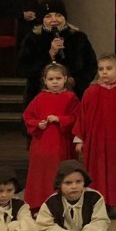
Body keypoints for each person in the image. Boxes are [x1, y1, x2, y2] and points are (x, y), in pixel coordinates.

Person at [73, 54, 116, 210]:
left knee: (115, 170)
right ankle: (95, 202)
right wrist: (79, 138)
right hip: (95, 140)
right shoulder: (90, 92)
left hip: (115, 140)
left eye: (109, 68)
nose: (104, 72)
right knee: (95, 170)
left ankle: (112, 203)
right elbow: (82, 116)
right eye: (101, 69)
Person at [17, 0, 97, 108]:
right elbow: (23, 68)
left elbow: (91, 65)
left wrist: (75, 82)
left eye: (58, 15)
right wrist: (49, 54)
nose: (54, 20)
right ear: (42, 19)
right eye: (48, 16)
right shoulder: (32, 38)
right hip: (39, 96)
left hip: (74, 96)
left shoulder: (78, 37)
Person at [31, 159, 110, 231]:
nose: (74, 186)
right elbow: (44, 226)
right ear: (59, 184)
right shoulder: (51, 202)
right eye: (68, 183)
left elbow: (100, 221)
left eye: (78, 182)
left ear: (84, 182)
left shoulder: (94, 197)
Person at [22, 63, 80, 210]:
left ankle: (58, 206)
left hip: (61, 143)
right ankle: (37, 204)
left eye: (58, 78)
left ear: (65, 79)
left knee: (57, 172)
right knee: (40, 174)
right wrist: (38, 124)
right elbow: (28, 116)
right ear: (45, 80)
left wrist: (60, 119)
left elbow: (76, 118)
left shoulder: (70, 98)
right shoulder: (40, 98)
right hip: (41, 144)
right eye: (51, 79)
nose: (55, 82)